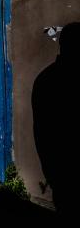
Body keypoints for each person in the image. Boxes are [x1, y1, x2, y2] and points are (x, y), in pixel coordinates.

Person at [32, 22, 79, 220]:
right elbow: (43, 133)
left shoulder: (44, 80)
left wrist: (51, 173)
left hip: (60, 177)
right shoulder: (48, 81)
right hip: (64, 176)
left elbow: (40, 134)